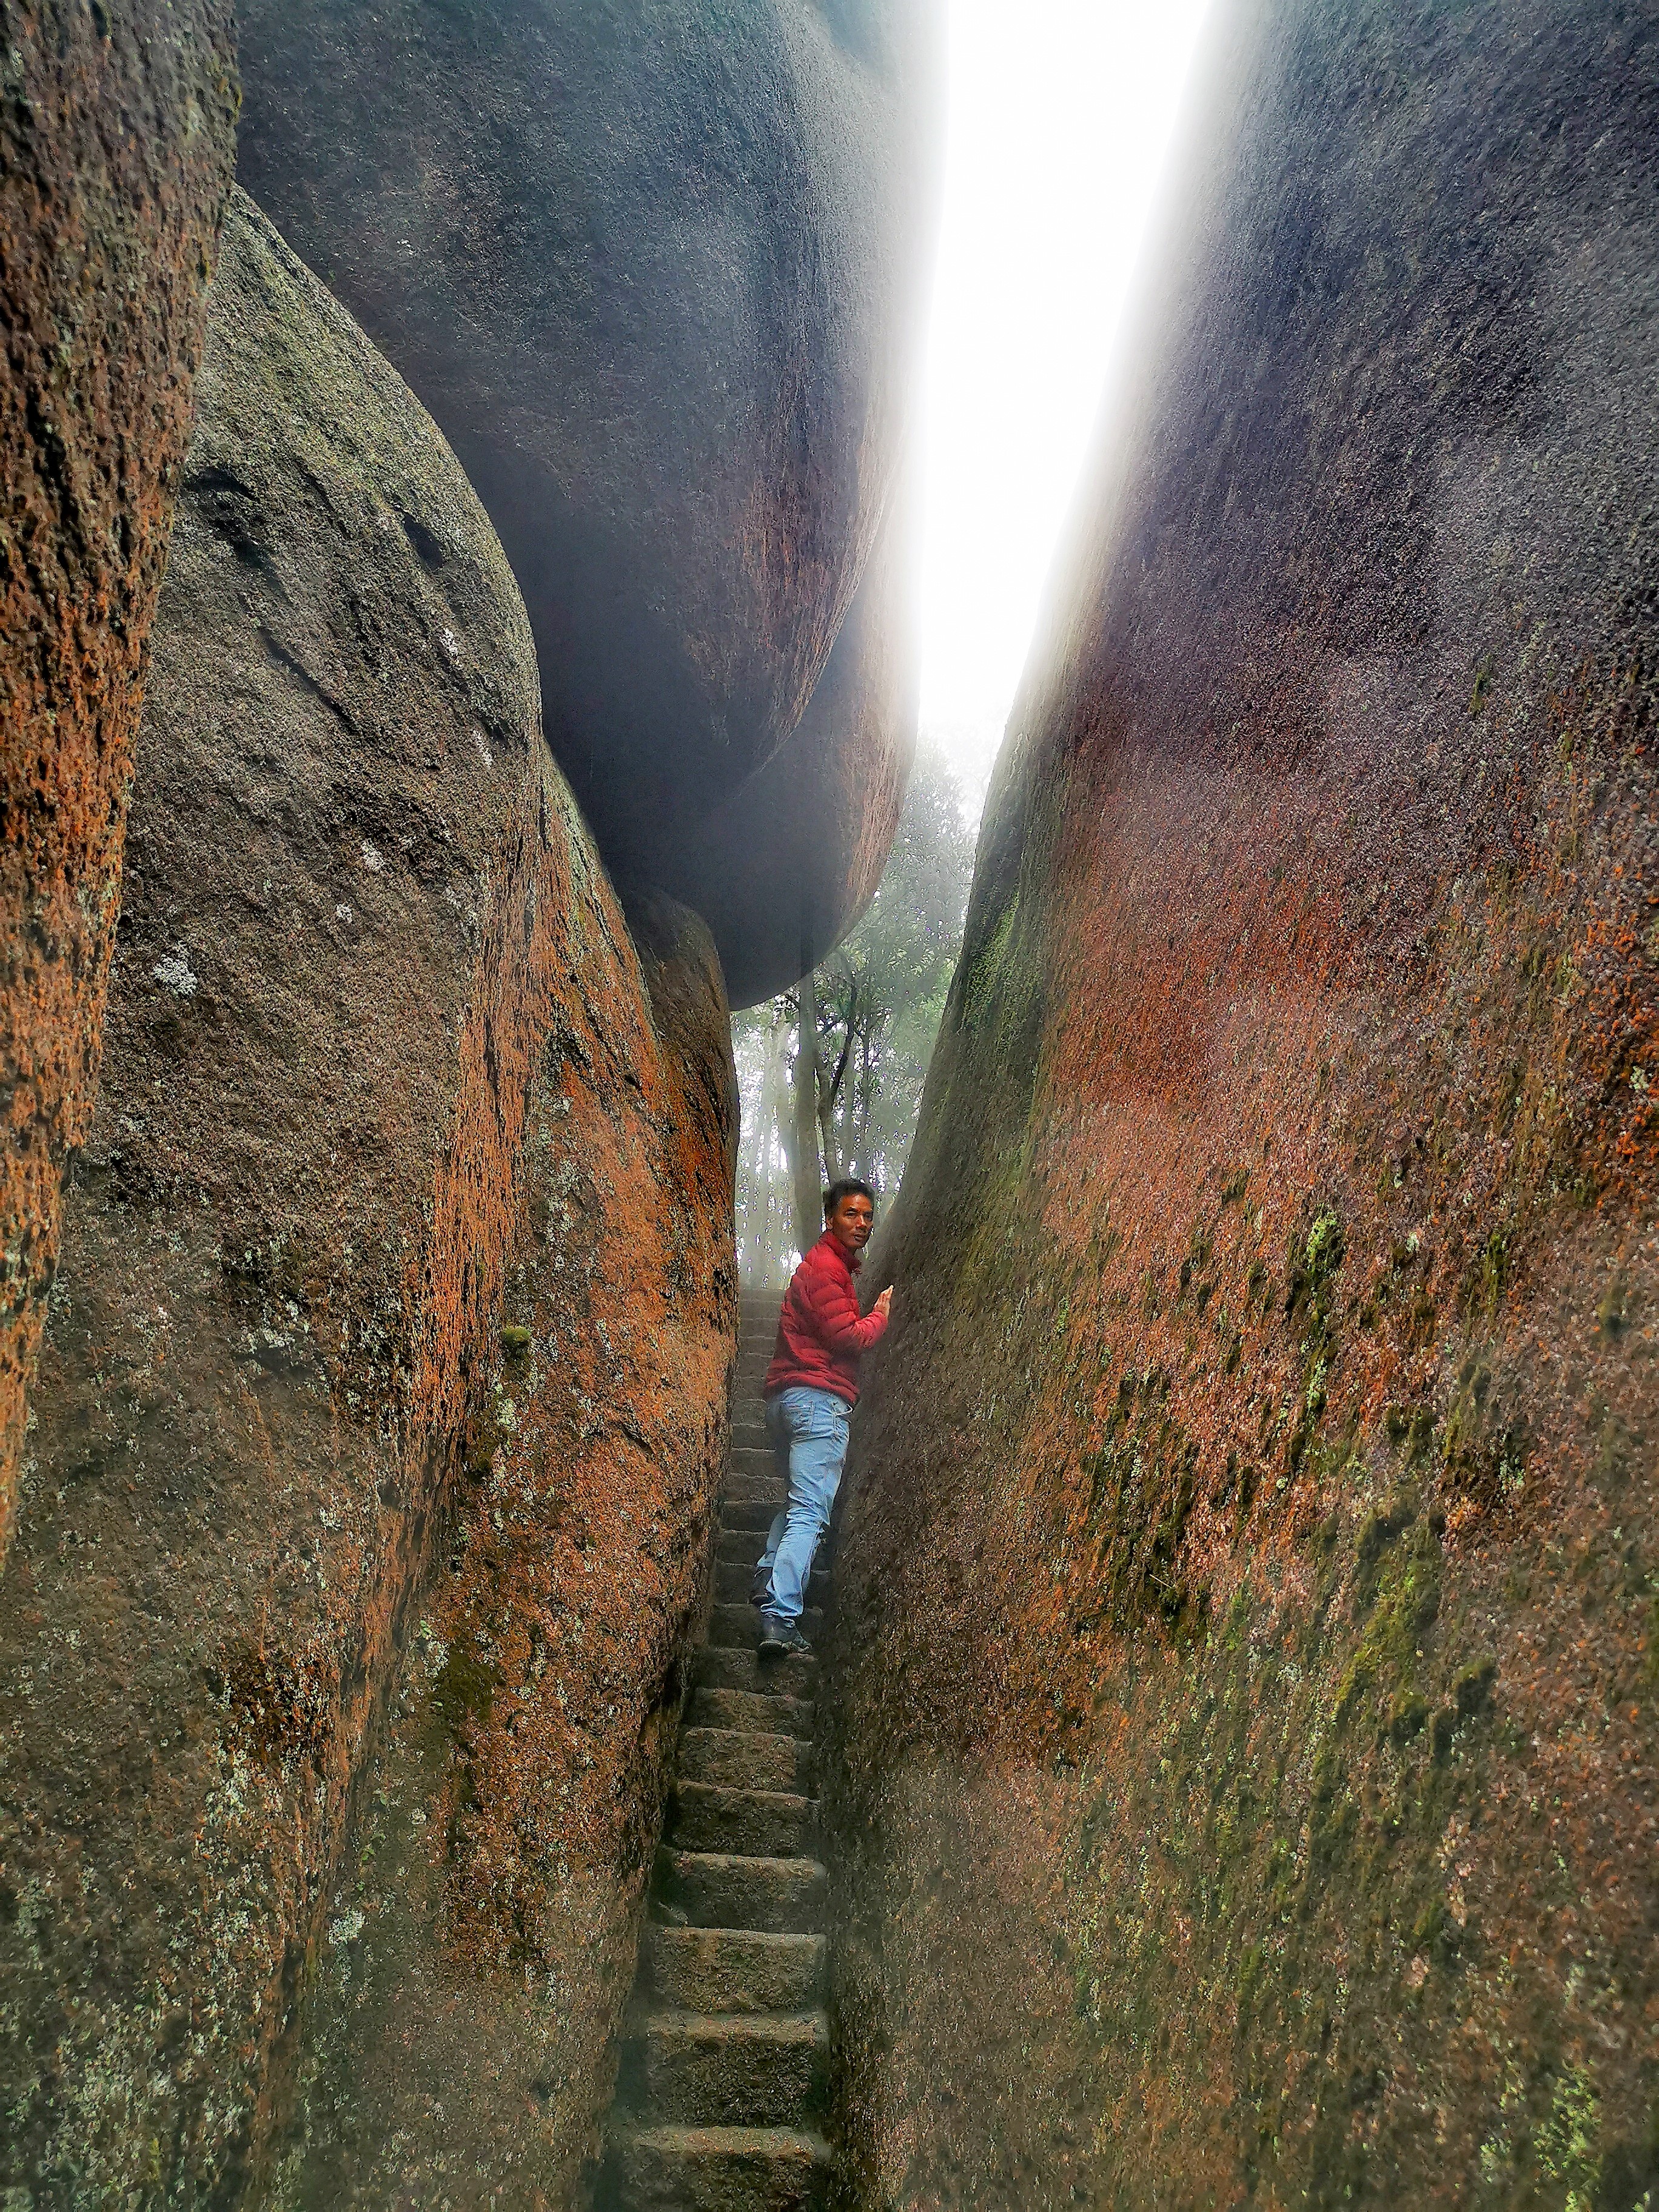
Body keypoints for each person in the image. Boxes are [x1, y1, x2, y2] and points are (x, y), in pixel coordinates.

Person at [752, 1177, 893, 1657]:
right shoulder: (827, 1270)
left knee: (798, 1504)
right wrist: (880, 1316)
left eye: (868, 1216)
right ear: (830, 1219)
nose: (862, 1224)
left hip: (788, 1399)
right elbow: (847, 1336)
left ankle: (767, 1574)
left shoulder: (818, 1267)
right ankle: (780, 1615)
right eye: (851, 1214)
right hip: (817, 1402)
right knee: (811, 1512)